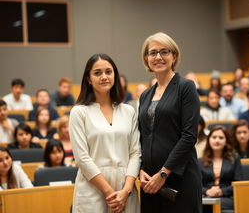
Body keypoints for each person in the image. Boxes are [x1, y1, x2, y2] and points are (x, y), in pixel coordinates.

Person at [69, 53, 141, 213]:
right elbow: (82, 158)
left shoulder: (129, 111)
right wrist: (110, 193)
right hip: (92, 188)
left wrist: (127, 190)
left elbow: (135, 153)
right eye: (97, 73)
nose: (104, 77)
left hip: (126, 190)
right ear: (88, 78)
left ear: (115, 75)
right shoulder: (79, 112)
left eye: (109, 72)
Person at [139, 32, 202, 212]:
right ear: (146, 58)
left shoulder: (186, 87)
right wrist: (141, 169)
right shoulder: (145, 95)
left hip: (179, 179)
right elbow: (142, 136)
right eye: (153, 53)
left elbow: (189, 136)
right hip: (150, 181)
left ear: (174, 56)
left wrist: (164, 173)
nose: (158, 57)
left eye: (164, 52)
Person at [198, 126, 242, 213]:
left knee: (211, 205)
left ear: (226, 141)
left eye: (221, 137)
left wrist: (222, 191)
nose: (217, 140)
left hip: (228, 197)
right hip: (206, 197)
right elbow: (197, 184)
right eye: (214, 137)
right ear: (209, 140)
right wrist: (207, 191)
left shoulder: (234, 158)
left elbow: (238, 183)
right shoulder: (200, 161)